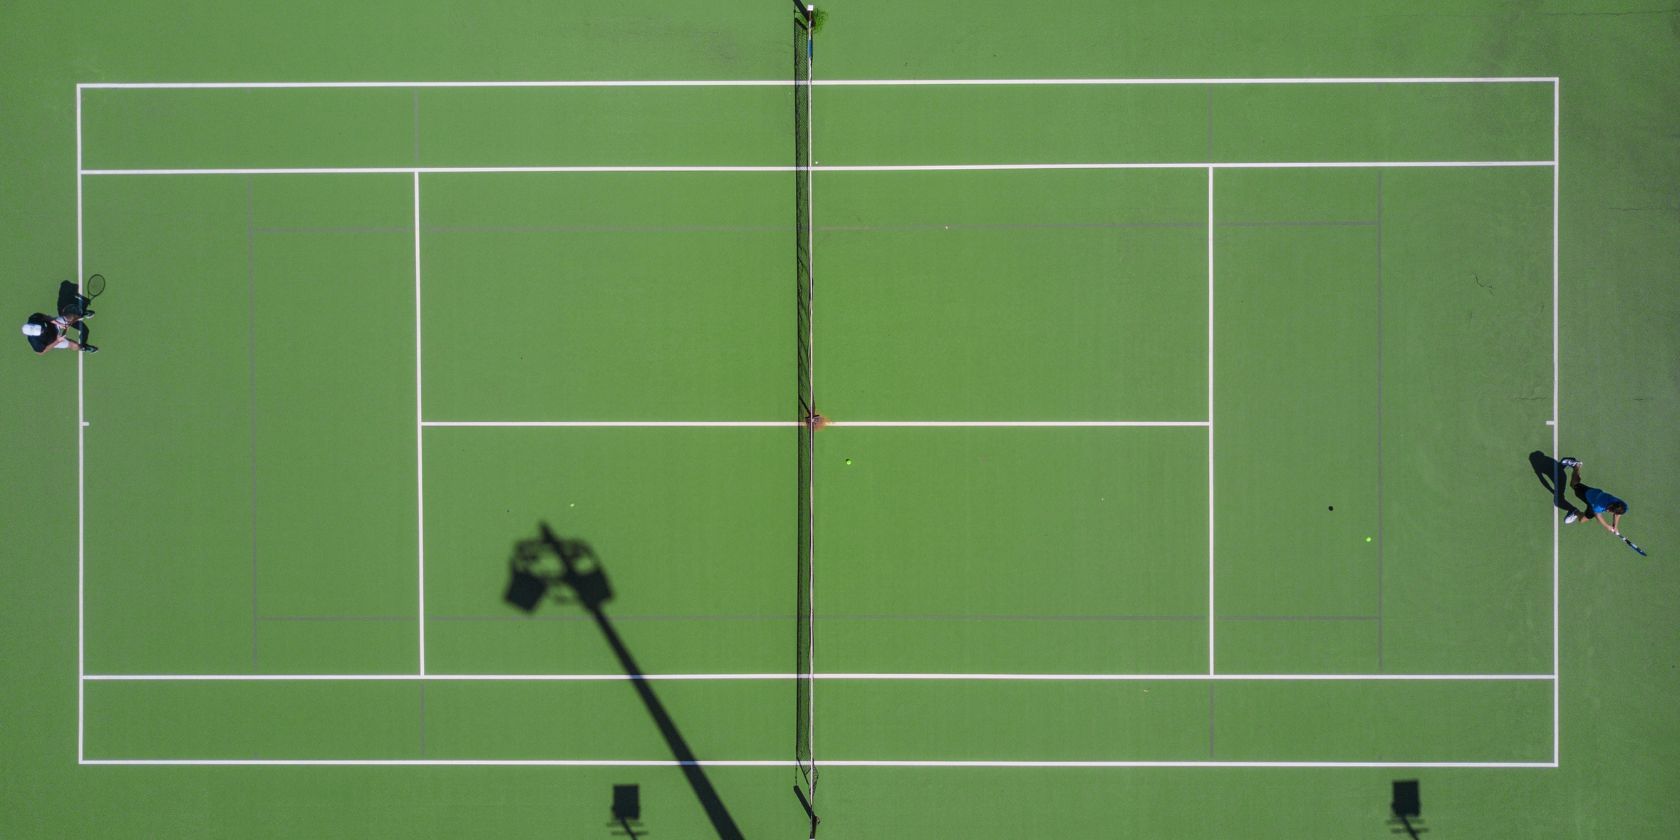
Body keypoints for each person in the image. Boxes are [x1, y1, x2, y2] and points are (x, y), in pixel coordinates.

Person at [1559, 458, 1627, 535]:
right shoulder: (1599, 505)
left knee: (1581, 520)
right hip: (1588, 494)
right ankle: (1576, 465)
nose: (1609, 512)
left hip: (1593, 504)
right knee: (1574, 484)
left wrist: (1615, 526)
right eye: (1610, 510)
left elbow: (1618, 513)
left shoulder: (1622, 506)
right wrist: (1607, 526)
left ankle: (1575, 512)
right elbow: (1598, 516)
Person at [21, 312, 96, 354]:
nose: (42, 330)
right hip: (53, 341)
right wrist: (58, 341)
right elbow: (42, 351)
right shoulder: (35, 342)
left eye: (40, 329)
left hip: (54, 325)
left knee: (71, 317)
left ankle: (81, 315)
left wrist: (59, 324)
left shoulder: (34, 318)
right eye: (39, 332)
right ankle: (83, 348)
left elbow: (45, 317)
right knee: (74, 345)